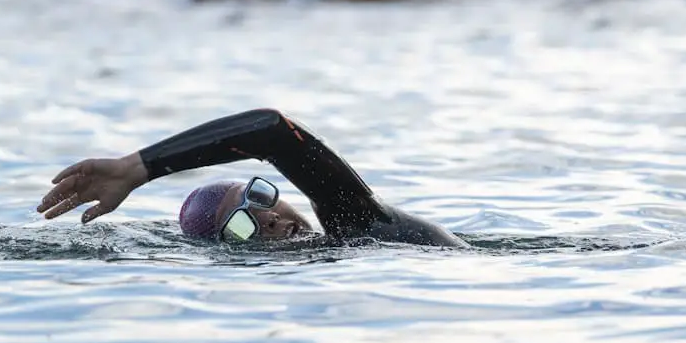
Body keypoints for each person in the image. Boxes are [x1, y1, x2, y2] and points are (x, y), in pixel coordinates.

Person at [35, 107, 468, 248]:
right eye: (242, 227)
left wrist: (137, 168)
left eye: (260, 200)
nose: (272, 221)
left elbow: (271, 130)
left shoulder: (359, 221)